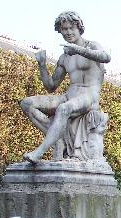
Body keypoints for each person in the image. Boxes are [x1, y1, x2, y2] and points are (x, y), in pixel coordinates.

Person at [21, 11, 111, 163]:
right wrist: (42, 65)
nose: (68, 32)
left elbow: (106, 57)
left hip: (89, 97)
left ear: (79, 28)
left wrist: (78, 50)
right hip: (70, 95)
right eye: (64, 29)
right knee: (27, 104)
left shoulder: (91, 46)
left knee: (64, 108)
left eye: (71, 28)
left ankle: (40, 152)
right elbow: (51, 86)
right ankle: (58, 141)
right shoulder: (64, 57)